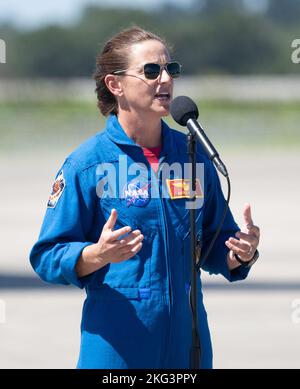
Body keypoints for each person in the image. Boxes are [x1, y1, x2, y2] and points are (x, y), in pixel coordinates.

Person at [30, 26, 260, 369]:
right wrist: (95, 254)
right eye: (151, 71)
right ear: (115, 84)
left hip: (188, 348)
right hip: (118, 350)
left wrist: (242, 252)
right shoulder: (87, 164)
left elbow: (213, 242)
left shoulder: (193, 156)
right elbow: (47, 255)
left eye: (172, 69)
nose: (165, 79)